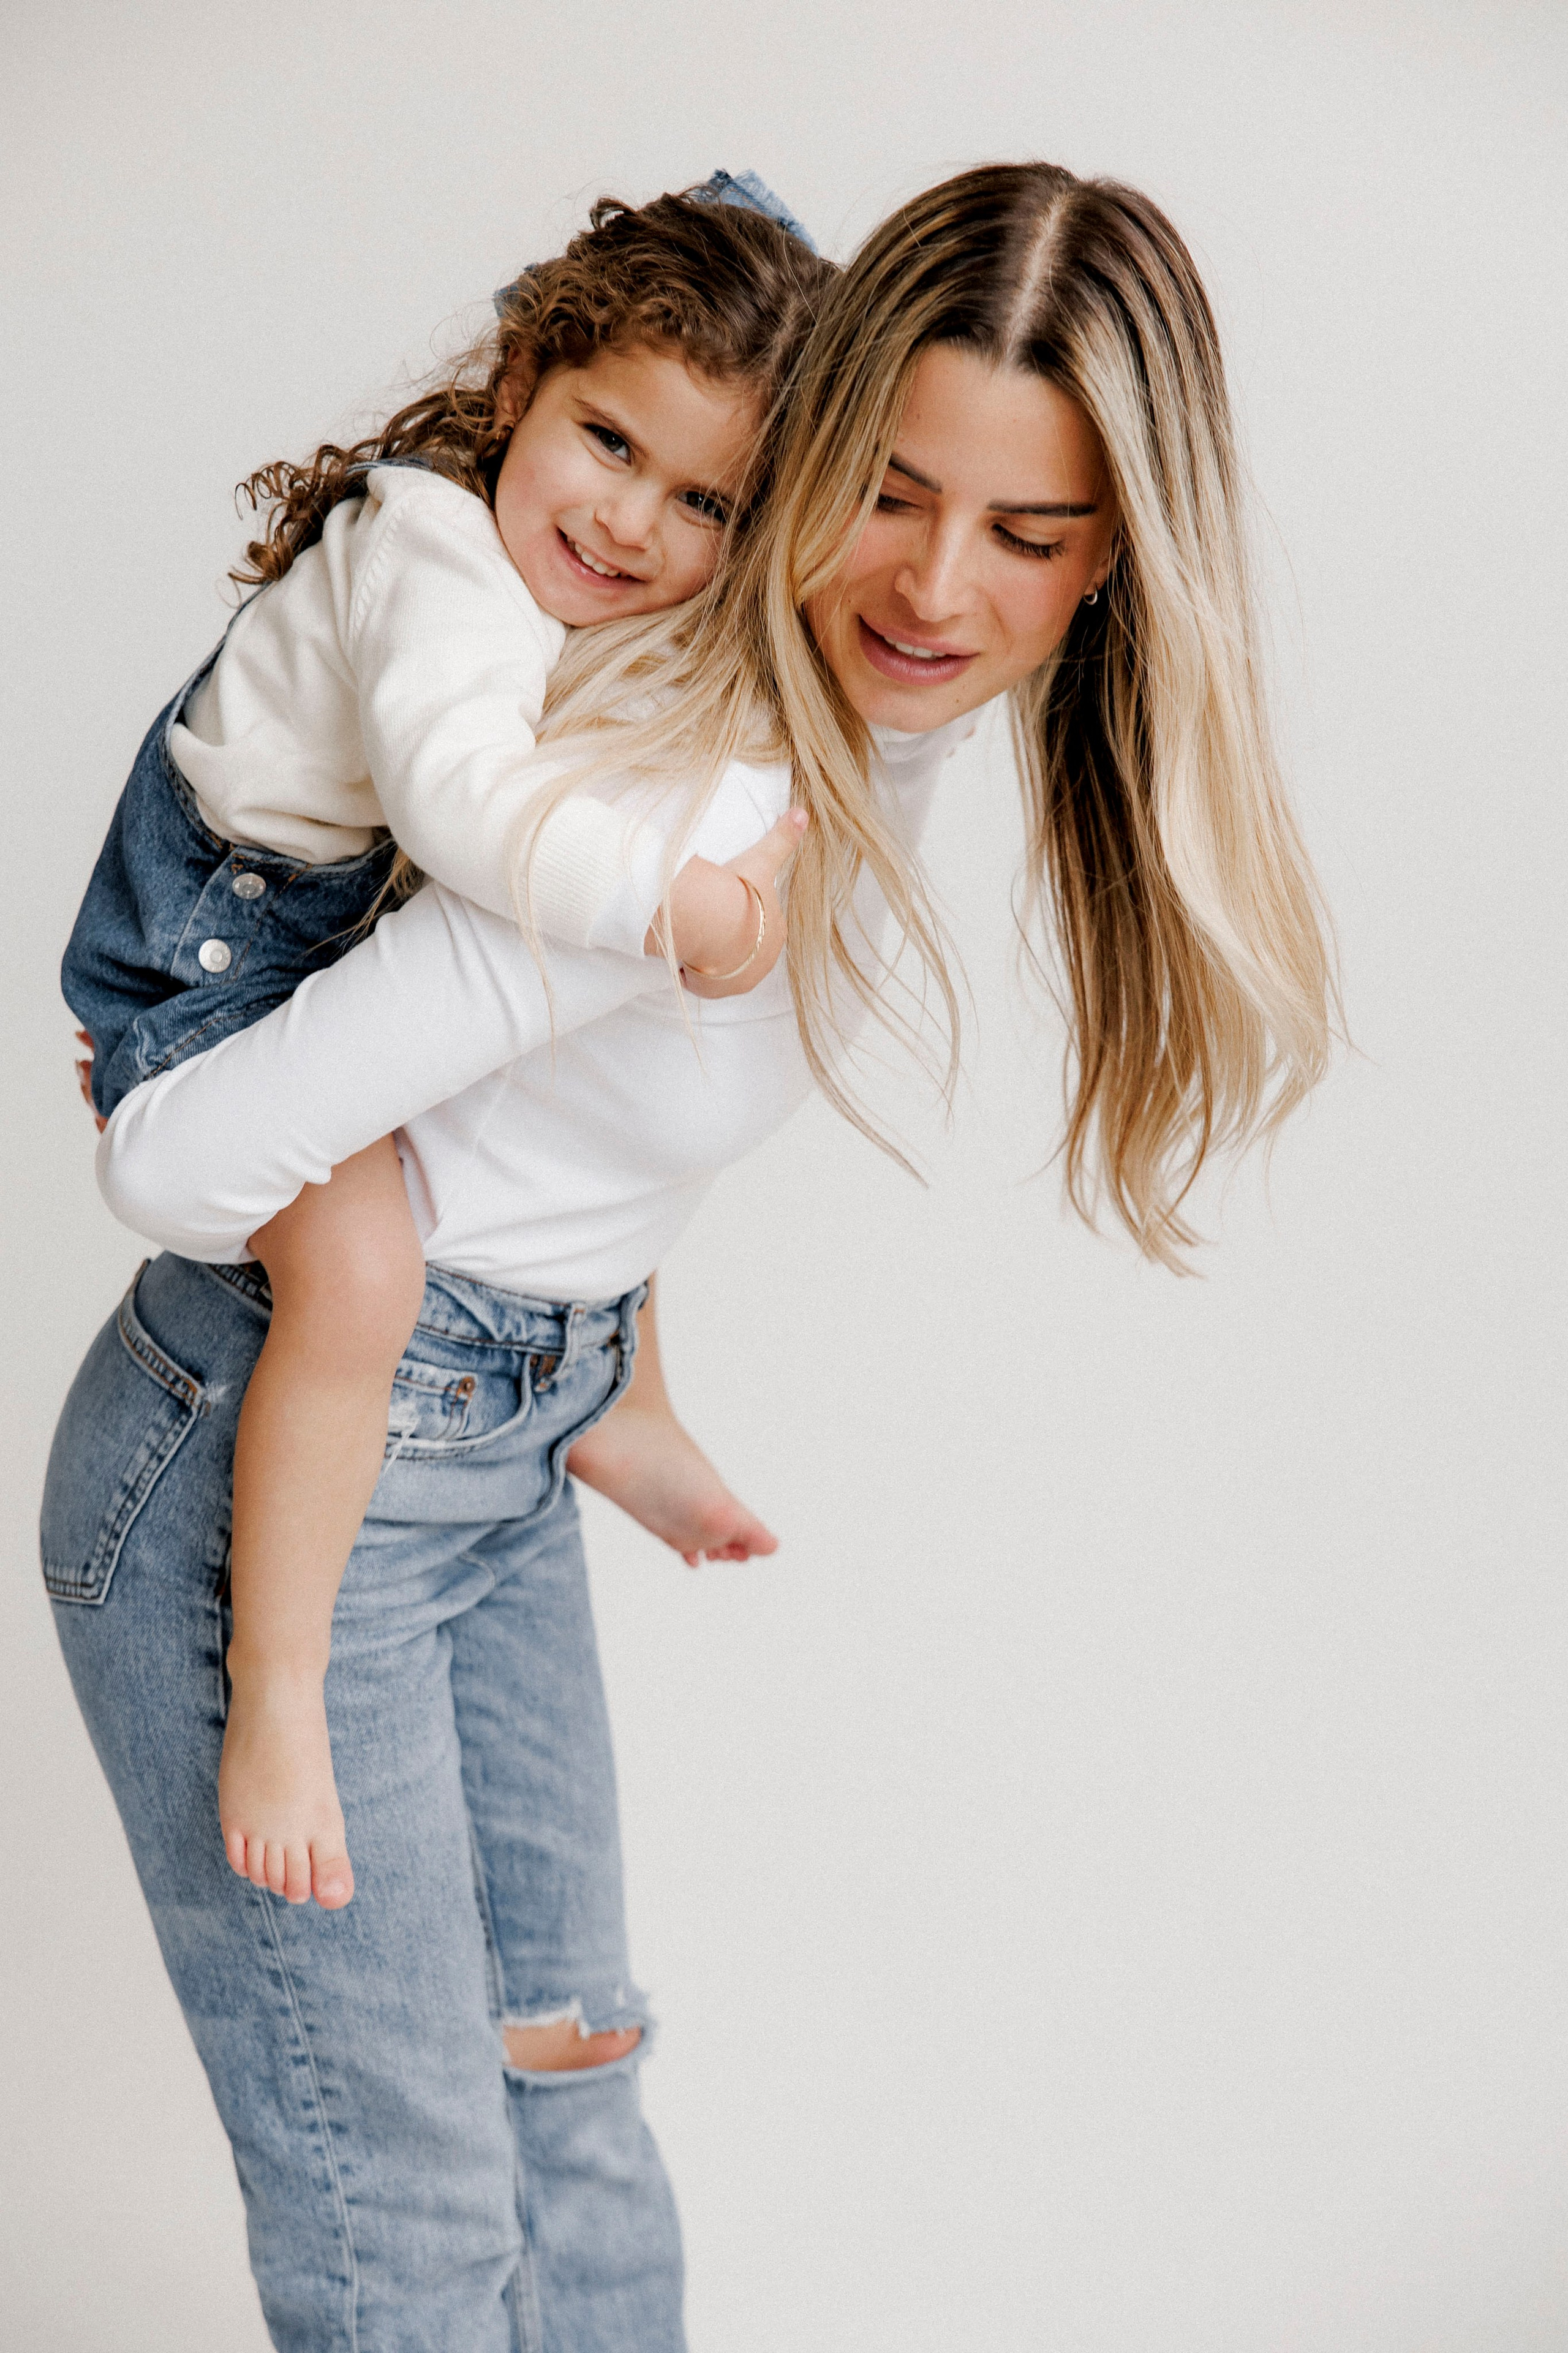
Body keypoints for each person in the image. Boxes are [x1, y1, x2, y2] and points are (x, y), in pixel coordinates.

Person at [46, 162, 1335, 2352]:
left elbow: (593, 1148)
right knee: (417, 2236)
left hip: (505, 1435)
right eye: (899, 496)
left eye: (1031, 533)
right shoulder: (665, 812)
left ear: (1127, 560)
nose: (938, 588)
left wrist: (614, 1359)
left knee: (574, 2078)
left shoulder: (864, 714)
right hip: (291, 1457)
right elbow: (185, 1154)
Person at [60, 176, 832, 1916]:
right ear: (517, 392)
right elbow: (464, 805)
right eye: (608, 441)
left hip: (323, 907)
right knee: (364, 1274)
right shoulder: (437, 557)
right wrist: (679, 911)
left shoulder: (557, 573)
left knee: (564, 1105)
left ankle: (614, 1391)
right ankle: (277, 1690)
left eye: (704, 497)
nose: (633, 522)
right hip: (228, 946)